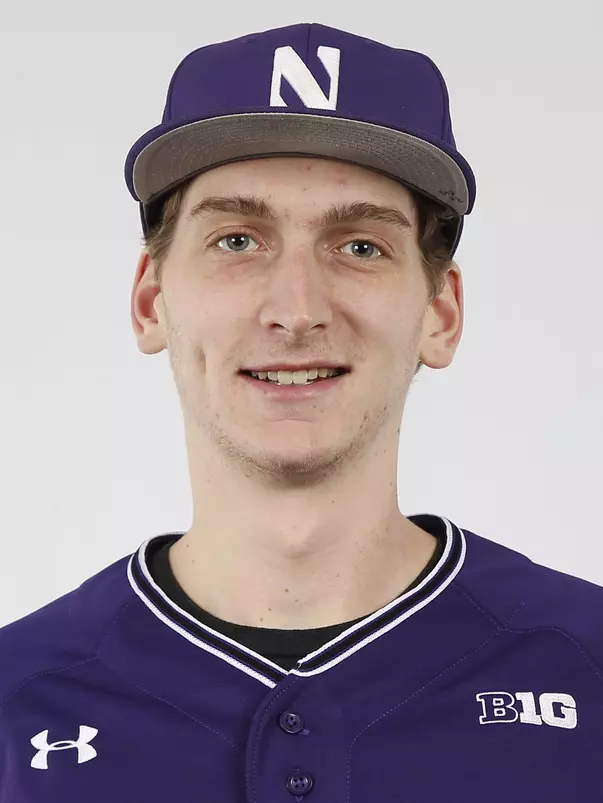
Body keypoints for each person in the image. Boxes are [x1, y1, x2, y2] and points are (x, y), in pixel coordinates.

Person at [1, 22, 602, 802]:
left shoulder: (585, 663)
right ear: (151, 300)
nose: (295, 309)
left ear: (440, 313)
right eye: (237, 239)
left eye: (359, 247)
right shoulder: (19, 700)